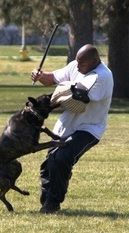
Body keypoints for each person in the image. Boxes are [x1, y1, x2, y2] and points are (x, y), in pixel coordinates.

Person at [31, 44, 114, 214]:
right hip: (66, 125)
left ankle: (53, 203)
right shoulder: (77, 65)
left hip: (89, 128)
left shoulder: (102, 76)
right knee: (49, 163)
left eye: (81, 64)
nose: (77, 67)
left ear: (94, 61)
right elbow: (53, 78)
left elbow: (76, 102)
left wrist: (59, 93)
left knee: (62, 158)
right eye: (77, 62)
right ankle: (46, 200)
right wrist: (40, 75)